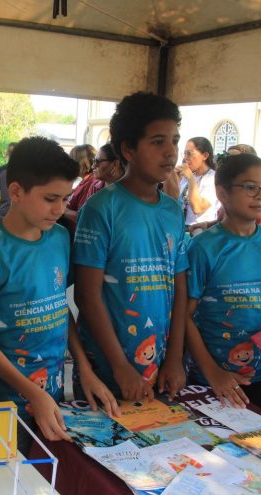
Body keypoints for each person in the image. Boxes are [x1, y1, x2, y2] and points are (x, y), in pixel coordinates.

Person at [0, 136, 119, 452]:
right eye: (50, 198)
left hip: (52, 393)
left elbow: (59, 308)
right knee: (6, 485)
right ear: (16, 191)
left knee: (46, 481)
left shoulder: (60, 237)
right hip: (3, 401)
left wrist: (84, 369)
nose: (60, 209)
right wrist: (32, 393)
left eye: (65, 198)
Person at [73, 91, 188, 402]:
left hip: (158, 366)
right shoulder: (101, 209)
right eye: (157, 141)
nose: (170, 152)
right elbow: (87, 294)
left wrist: (175, 358)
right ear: (128, 149)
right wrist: (120, 366)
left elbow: (179, 287)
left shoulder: (172, 211)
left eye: (175, 141)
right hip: (107, 369)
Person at [185, 153, 261, 424]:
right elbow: (184, 315)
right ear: (222, 193)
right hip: (212, 376)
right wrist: (213, 372)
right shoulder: (204, 247)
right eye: (250, 187)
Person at [61, 143, 123, 233]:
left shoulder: (91, 182)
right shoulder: (95, 186)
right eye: (94, 161)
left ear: (115, 164)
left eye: (98, 161)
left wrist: (64, 211)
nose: (93, 166)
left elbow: (86, 219)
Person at [178, 137, 221, 235]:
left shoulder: (213, 178)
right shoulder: (188, 176)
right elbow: (173, 200)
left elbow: (198, 208)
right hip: (181, 228)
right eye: (184, 154)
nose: (185, 158)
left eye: (189, 153)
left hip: (200, 231)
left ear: (205, 155)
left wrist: (190, 178)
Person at [0, 142, 16, 220]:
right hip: (21, 213)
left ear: (7, 153)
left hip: (4, 211)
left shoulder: (0, 171)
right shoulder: (27, 172)